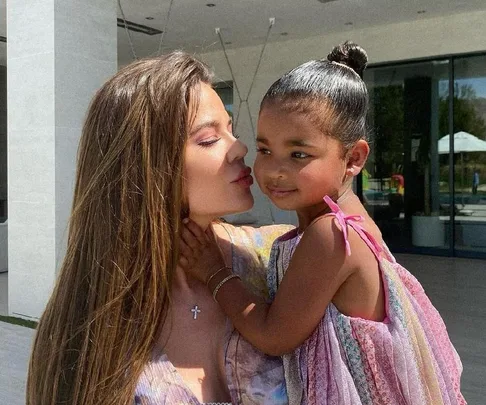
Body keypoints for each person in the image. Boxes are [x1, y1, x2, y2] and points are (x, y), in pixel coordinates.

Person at [181, 42, 466, 404]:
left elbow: (273, 335)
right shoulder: (349, 222)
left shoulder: (331, 233)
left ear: (354, 159)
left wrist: (214, 272)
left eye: (299, 154)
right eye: (265, 149)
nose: (275, 169)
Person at [26, 52, 292, 405]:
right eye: (209, 139)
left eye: (232, 130)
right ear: (146, 166)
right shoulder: (85, 325)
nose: (239, 148)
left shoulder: (280, 258)